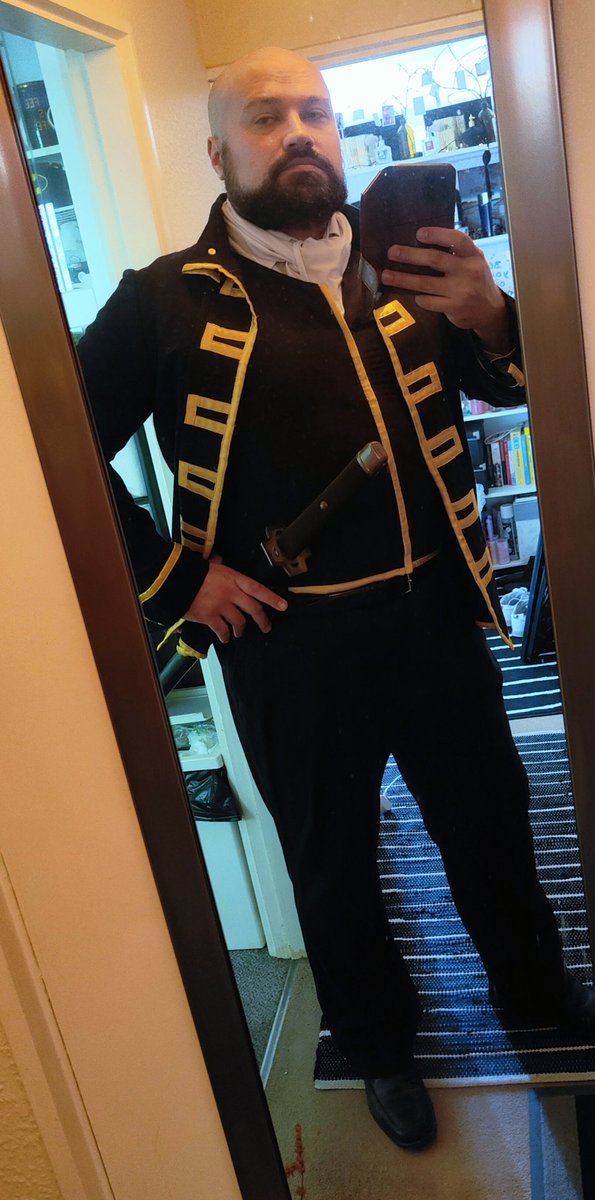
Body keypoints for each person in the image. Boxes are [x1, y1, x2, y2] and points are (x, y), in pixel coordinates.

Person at [77, 46, 595, 1152]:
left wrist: (495, 319)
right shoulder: (161, 301)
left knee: (490, 825)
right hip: (290, 648)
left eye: (313, 110)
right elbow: (59, 450)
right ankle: (374, 1041)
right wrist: (178, 580)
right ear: (217, 152)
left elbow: (513, 384)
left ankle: (533, 991)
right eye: (266, 117)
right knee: (334, 861)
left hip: (433, 619)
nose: (299, 132)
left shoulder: (409, 265)